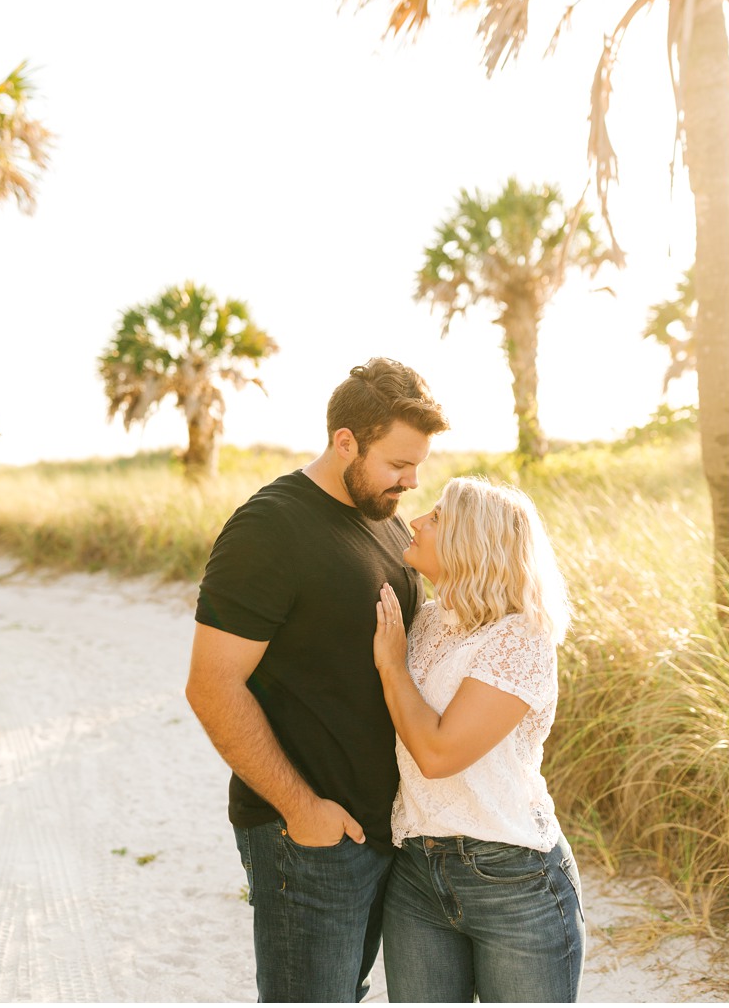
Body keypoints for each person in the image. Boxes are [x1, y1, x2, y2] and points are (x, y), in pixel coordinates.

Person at [186, 357, 449, 1003]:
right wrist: (303, 812)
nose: (412, 482)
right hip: (308, 836)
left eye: (418, 464)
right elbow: (211, 685)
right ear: (345, 441)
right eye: (397, 464)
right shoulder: (270, 528)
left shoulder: (385, 519)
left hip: (384, 827)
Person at [371, 476, 583, 1002]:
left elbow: (438, 754)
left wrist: (392, 668)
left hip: (514, 881)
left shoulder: (521, 637)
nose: (417, 520)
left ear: (474, 541)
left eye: (438, 516)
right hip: (418, 871)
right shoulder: (426, 619)